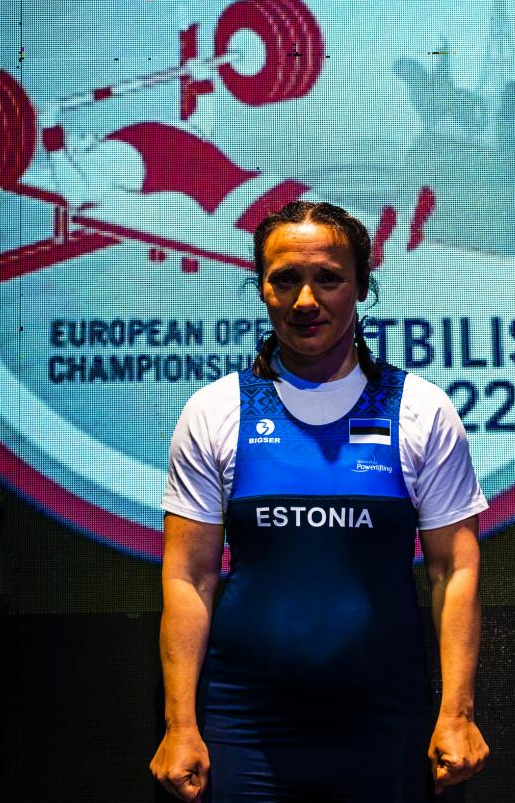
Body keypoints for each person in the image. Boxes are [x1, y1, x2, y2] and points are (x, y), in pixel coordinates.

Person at [150, 200, 490, 801]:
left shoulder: (420, 409)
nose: (306, 301)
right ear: (262, 288)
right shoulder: (215, 410)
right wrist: (180, 726)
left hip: (388, 724)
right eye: (286, 279)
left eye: (328, 278)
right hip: (245, 726)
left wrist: (457, 713)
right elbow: (188, 579)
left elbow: (454, 569)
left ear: (361, 285)